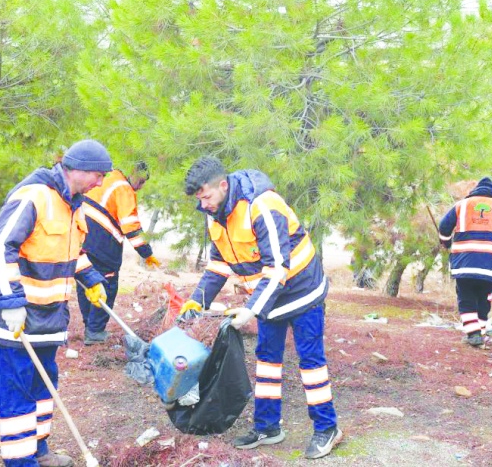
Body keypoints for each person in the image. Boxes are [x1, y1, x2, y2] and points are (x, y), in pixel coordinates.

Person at [178, 156, 342, 460]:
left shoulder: (262, 206)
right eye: (200, 199)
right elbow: (218, 265)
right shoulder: (214, 214)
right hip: (269, 298)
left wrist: (250, 310)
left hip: (302, 291)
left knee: (311, 363)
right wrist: (197, 300)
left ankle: (327, 428)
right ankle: (267, 427)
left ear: (223, 185)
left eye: (208, 197)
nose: (204, 205)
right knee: (267, 360)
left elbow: (278, 268)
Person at [0, 139, 112, 467]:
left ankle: (39, 451)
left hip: (48, 317)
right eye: (97, 175)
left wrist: (91, 281)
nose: (101, 183)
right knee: (17, 390)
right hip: (13, 318)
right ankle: (21, 462)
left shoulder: (75, 204)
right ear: (76, 169)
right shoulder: (34, 196)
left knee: (44, 386)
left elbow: (68, 252)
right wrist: (11, 302)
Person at [77, 161, 160, 345]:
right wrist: (146, 253)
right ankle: (95, 330)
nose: (141, 186)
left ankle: (88, 325)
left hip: (82, 236)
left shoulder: (107, 177)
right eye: (142, 180)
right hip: (103, 242)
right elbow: (131, 228)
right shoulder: (124, 188)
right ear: (134, 173)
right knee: (107, 283)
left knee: (86, 280)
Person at [438, 177, 492, 347]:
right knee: (484, 298)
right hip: (491, 264)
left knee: (466, 296)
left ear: (476, 190)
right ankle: (480, 334)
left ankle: (473, 334)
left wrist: (446, 242)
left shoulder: (462, 205)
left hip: (465, 261)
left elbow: (443, 226)